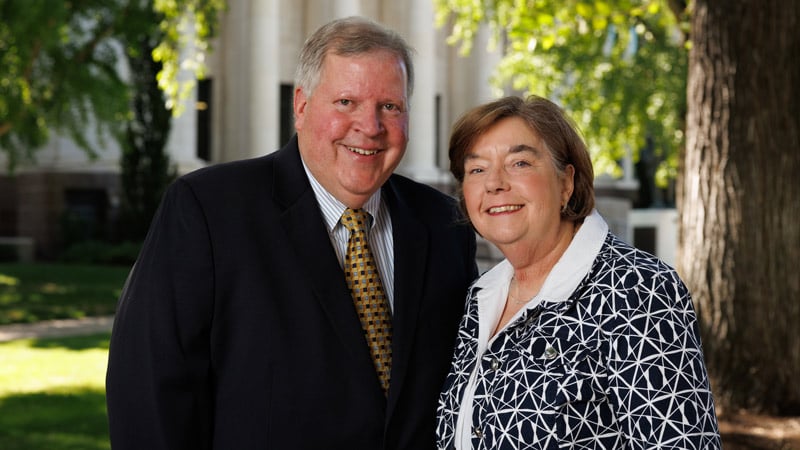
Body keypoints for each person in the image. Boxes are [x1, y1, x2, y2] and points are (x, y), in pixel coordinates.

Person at [106, 16, 478, 449]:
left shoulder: (443, 224)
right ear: (301, 106)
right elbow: (149, 393)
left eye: (390, 107)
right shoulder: (208, 211)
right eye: (346, 102)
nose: (370, 125)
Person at [436, 95, 721, 449]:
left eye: (519, 163)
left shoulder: (637, 291)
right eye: (477, 169)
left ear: (566, 182)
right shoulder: (480, 298)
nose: (494, 183)